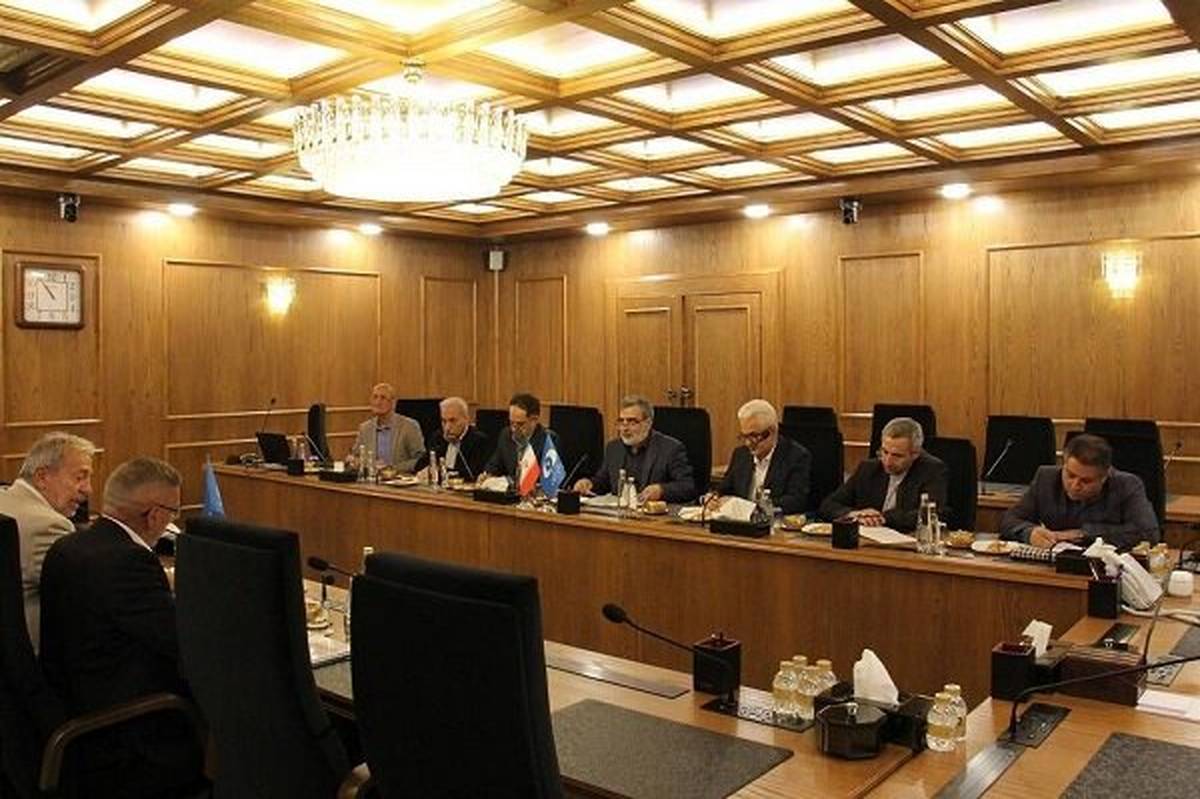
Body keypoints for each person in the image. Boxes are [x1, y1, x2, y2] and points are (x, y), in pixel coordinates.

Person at [39, 457, 204, 796]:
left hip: (72, 706)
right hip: (127, 733)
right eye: (173, 514)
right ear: (154, 515)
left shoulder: (69, 545)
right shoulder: (128, 561)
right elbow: (184, 642)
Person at [0, 432, 94, 651]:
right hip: (29, 658)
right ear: (42, 477)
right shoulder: (48, 525)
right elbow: (86, 594)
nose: (88, 489)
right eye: (79, 477)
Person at [1000, 433, 1159, 550]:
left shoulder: (1127, 485)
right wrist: (1029, 532)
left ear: (1104, 477)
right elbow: (1009, 519)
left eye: (1086, 481)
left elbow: (1148, 532)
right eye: (1070, 475)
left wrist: (1083, 534)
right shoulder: (1046, 478)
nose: (1075, 485)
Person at [819, 417, 948, 532]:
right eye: (884, 452)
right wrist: (854, 514)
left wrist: (882, 518)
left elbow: (931, 514)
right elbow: (828, 505)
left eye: (897, 456)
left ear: (915, 454)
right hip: (867, 541)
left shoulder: (932, 470)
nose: (887, 461)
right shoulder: (868, 468)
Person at [573, 394, 695, 503]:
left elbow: (687, 487)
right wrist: (589, 484)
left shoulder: (670, 449)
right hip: (620, 515)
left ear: (648, 423)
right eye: (621, 421)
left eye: (632, 422)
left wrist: (661, 490)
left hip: (653, 517)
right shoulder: (613, 448)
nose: (625, 428)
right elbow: (603, 481)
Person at [712, 399, 810, 515]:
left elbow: (796, 501)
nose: (748, 443)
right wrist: (713, 498)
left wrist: (754, 508)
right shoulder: (741, 454)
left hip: (773, 522)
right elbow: (724, 489)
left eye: (753, 436)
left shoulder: (796, 456)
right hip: (739, 521)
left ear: (772, 432)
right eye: (744, 436)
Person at [482, 393, 558, 483]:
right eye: (511, 423)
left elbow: (549, 480)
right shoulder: (506, 435)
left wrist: (510, 481)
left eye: (520, 424)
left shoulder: (548, 440)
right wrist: (487, 475)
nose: (514, 429)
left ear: (534, 420)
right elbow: (494, 465)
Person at [413, 396, 490, 481]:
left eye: (452, 421)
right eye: (444, 421)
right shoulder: (438, 437)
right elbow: (419, 465)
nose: (447, 427)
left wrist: (439, 472)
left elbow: (472, 474)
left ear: (466, 419)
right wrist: (427, 470)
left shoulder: (478, 440)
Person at [353, 382, 425, 472]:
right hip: (372, 478)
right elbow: (355, 456)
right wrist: (358, 462)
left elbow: (420, 460)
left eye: (383, 398)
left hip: (401, 477)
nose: (378, 402)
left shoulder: (409, 426)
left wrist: (391, 468)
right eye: (375, 397)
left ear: (393, 403)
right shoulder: (365, 428)